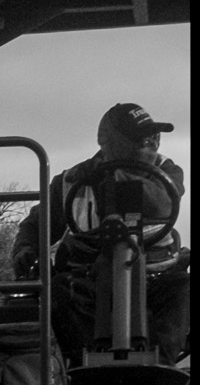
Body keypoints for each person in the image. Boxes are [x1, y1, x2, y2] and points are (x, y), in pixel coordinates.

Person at [12, 101, 188, 360]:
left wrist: (113, 175)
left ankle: (160, 370)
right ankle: (80, 369)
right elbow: (35, 225)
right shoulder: (70, 182)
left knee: (185, 288)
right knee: (59, 293)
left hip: (157, 276)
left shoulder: (167, 173)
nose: (151, 142)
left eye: (154, 136)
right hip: (89, 279)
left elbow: (162, 203)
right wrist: (25, 249)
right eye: (141, 138)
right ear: (108, 142)